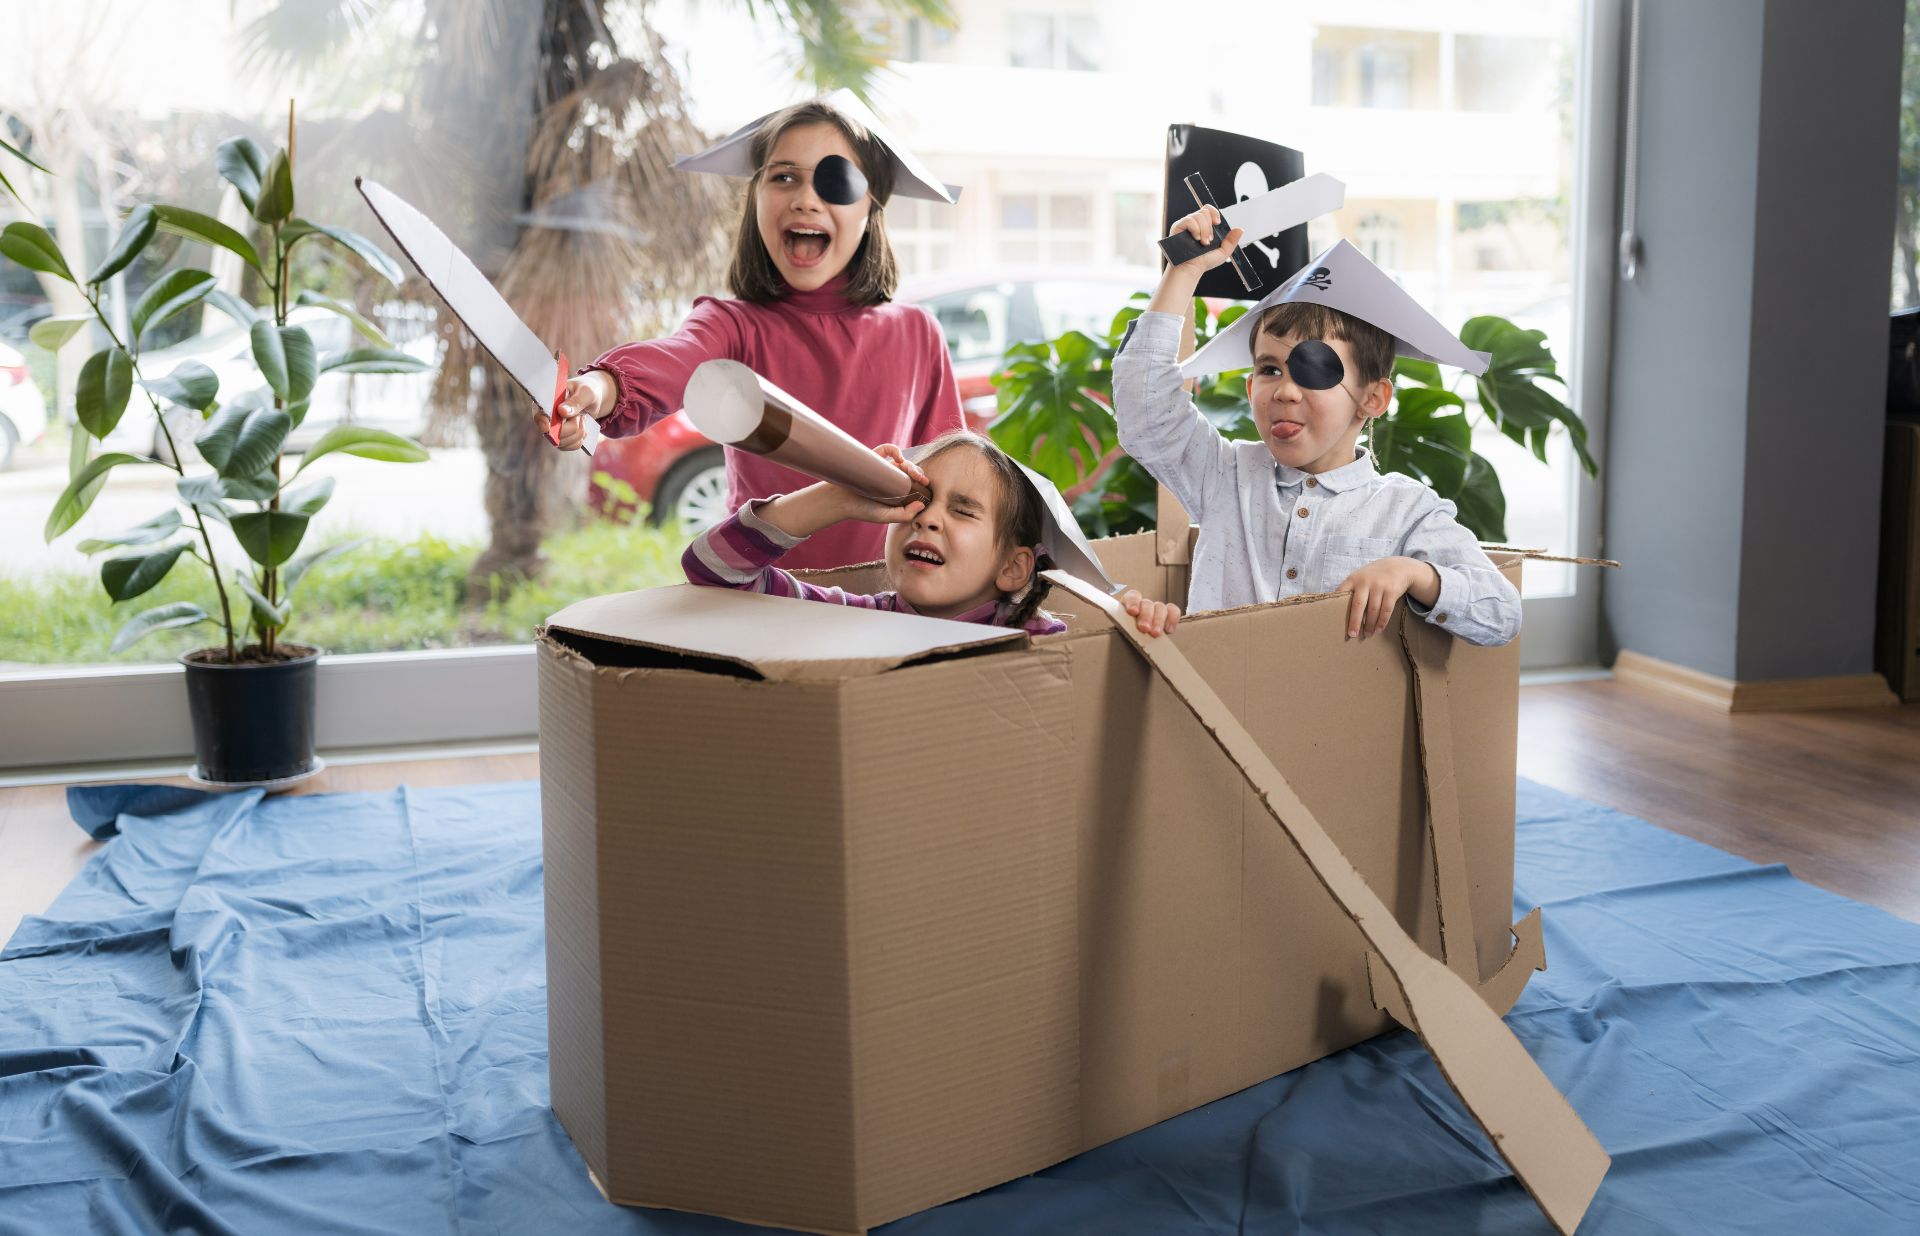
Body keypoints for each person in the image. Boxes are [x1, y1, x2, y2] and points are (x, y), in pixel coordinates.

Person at [542, 91, 963, 570]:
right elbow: (675, 359)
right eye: (783, 177)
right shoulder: (732, 325)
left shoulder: (916, 334)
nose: (806, 199)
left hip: (885, 606)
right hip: (762, 597)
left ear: (871, 208)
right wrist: (597, 388)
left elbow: (951, 475)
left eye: (836, 182)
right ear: (756, 197)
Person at [1110, 206, 1520, 646]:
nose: (1284, 391)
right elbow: (1145, 410)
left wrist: (1414, 572)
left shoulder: (1406, 510)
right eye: (1269, 369)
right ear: (1249, 387)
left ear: (1373, 398)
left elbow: (1501, 615)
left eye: (1314, 369)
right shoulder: (1225, 477)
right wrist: (1183, 273)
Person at [684, 433, 1181, 638]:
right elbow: (711, 571)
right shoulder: (854, 621)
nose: (927, 518)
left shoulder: (1040, 641)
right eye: (917, 502)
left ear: (1013, 567)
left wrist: (1140, 623)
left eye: (962, 511)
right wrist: (839, 496)